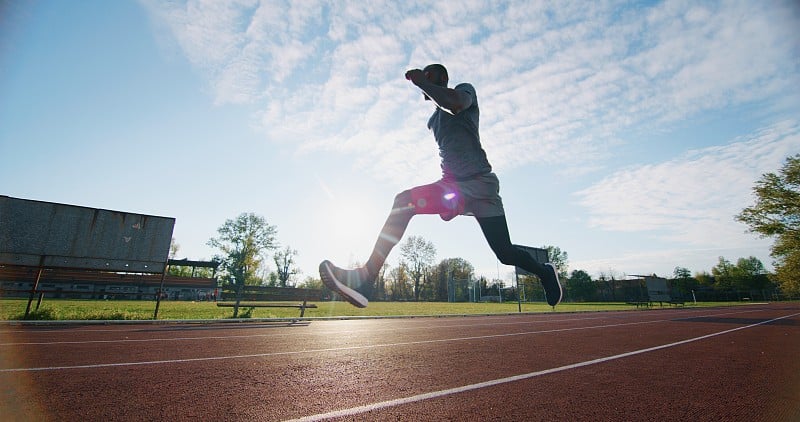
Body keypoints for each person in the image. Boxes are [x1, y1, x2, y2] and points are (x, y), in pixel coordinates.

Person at [319, 64, 562, 308]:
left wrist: (422, 82)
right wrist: (448, 200)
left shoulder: (464, 92)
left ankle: (544, 272)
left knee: (505, 253)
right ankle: (365, 278)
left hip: (481, 185)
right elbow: (449, 155)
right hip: (454, 186)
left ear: (442, 78)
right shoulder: (433, 120)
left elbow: (454, 103)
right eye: (422, 77)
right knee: (404, 201)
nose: (424, 80)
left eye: (429, 75)